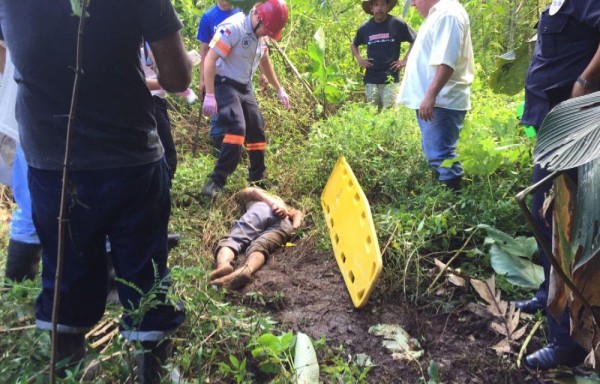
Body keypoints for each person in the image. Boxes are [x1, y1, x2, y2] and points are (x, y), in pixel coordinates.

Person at [0, 1, 192, 381]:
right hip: (129, 154)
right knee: (146, 275)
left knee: (64, 274)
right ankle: (151, 368)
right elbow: (177, 79)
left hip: (51, 157)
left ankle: (66, 367)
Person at [515, 1, 600, 371]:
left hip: (575, 130)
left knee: (565, 228)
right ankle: (546, 294)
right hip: (550, 126)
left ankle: (568, 342)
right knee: (543, 215)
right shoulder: (555, 3)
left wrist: (583, 81)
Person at [200, 0, 291, 197]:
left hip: (244, 86)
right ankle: (216, 181)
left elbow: (265, 60)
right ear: (259, 17)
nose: (268, 33)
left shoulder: (262, 34)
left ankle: (257, 178)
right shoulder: (234, 28)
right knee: (237, 127)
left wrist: (279, 89)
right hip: (224, 83)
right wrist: (209, 94)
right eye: (267, 29)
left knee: (257, 127)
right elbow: (210, 59)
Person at [396, 0, 474, 191]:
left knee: (441, 155)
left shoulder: (449, 14)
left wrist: (431, 95)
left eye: (413, 0)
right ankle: (442, 199)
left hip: (442, 101)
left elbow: (447, 61)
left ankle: (453, 205)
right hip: (434, 101)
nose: (413, 5)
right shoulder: (437, 15)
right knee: (435, 153)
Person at [0, 43, 41, 285]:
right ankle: (18, 285)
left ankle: (18, 286)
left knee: (31, 198)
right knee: (31, 199)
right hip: (30, 108)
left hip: (29, 104)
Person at [210, 187, 303, 289]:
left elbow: (253, 191)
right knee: (260, 246)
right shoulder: (285, 206)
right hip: (284, 223)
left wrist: (272, 205)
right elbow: (298, 214)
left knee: (234, 239)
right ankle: (246, 270)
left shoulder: (255, 194)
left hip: (262, 209)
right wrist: (294, 226)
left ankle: (224, 264)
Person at [351, 0, 416, 110]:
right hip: (371, 79)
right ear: (371, 8)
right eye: (376, 5)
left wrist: (405, 60)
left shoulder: (397, 24)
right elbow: (353, 44)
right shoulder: (366, 27)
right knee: (372, 114)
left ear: (387, 7)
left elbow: (415, 39)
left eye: (382, 4)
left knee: (390, 114)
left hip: (391, 78)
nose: (379, 8)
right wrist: (359, 59)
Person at [197, 0, 242, 154]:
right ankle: (218, 155)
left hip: (238, 75)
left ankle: (237, 153)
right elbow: (204, 51)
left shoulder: (242, 14)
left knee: (241, 114)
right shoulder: (208, 16)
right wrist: (202, 79)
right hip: (216, 75)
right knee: (218, 117)